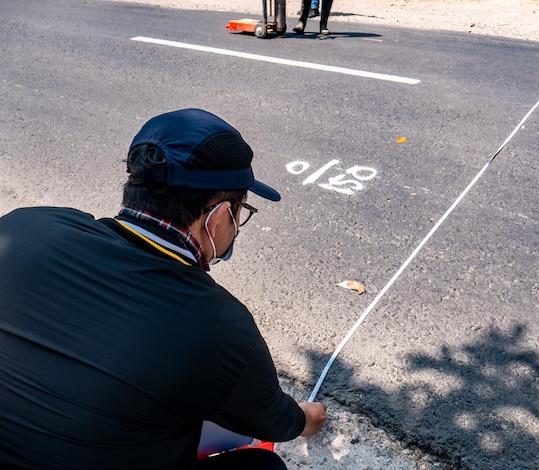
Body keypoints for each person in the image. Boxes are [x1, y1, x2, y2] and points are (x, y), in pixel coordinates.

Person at [0, 108, 327, 469]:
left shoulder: (24, 227)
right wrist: (309, 417)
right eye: (241, 212)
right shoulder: (220, 326)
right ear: (219, 217)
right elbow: (279, 422)